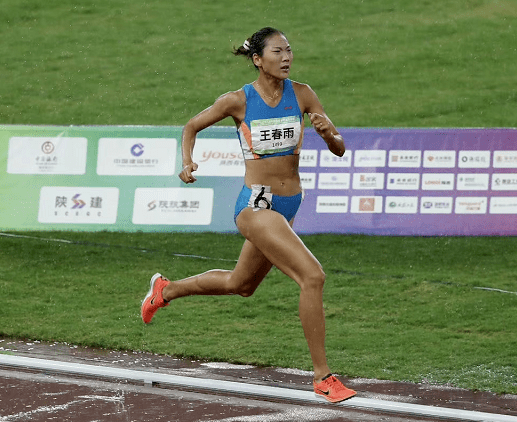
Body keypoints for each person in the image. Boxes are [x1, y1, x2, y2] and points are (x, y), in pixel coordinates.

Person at [140, 27, 356, 403]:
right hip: (256, 205)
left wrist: (327, 134)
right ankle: (323, 377)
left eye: (289, 50)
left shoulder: (303, 94)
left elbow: (338, 148)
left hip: (289, 204)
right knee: (312, 276)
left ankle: (166, 290)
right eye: (278, 51)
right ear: (258, 59)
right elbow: (191, 126)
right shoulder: (237, 101)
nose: (286, 57)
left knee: (241, 285)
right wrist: (187, 161)